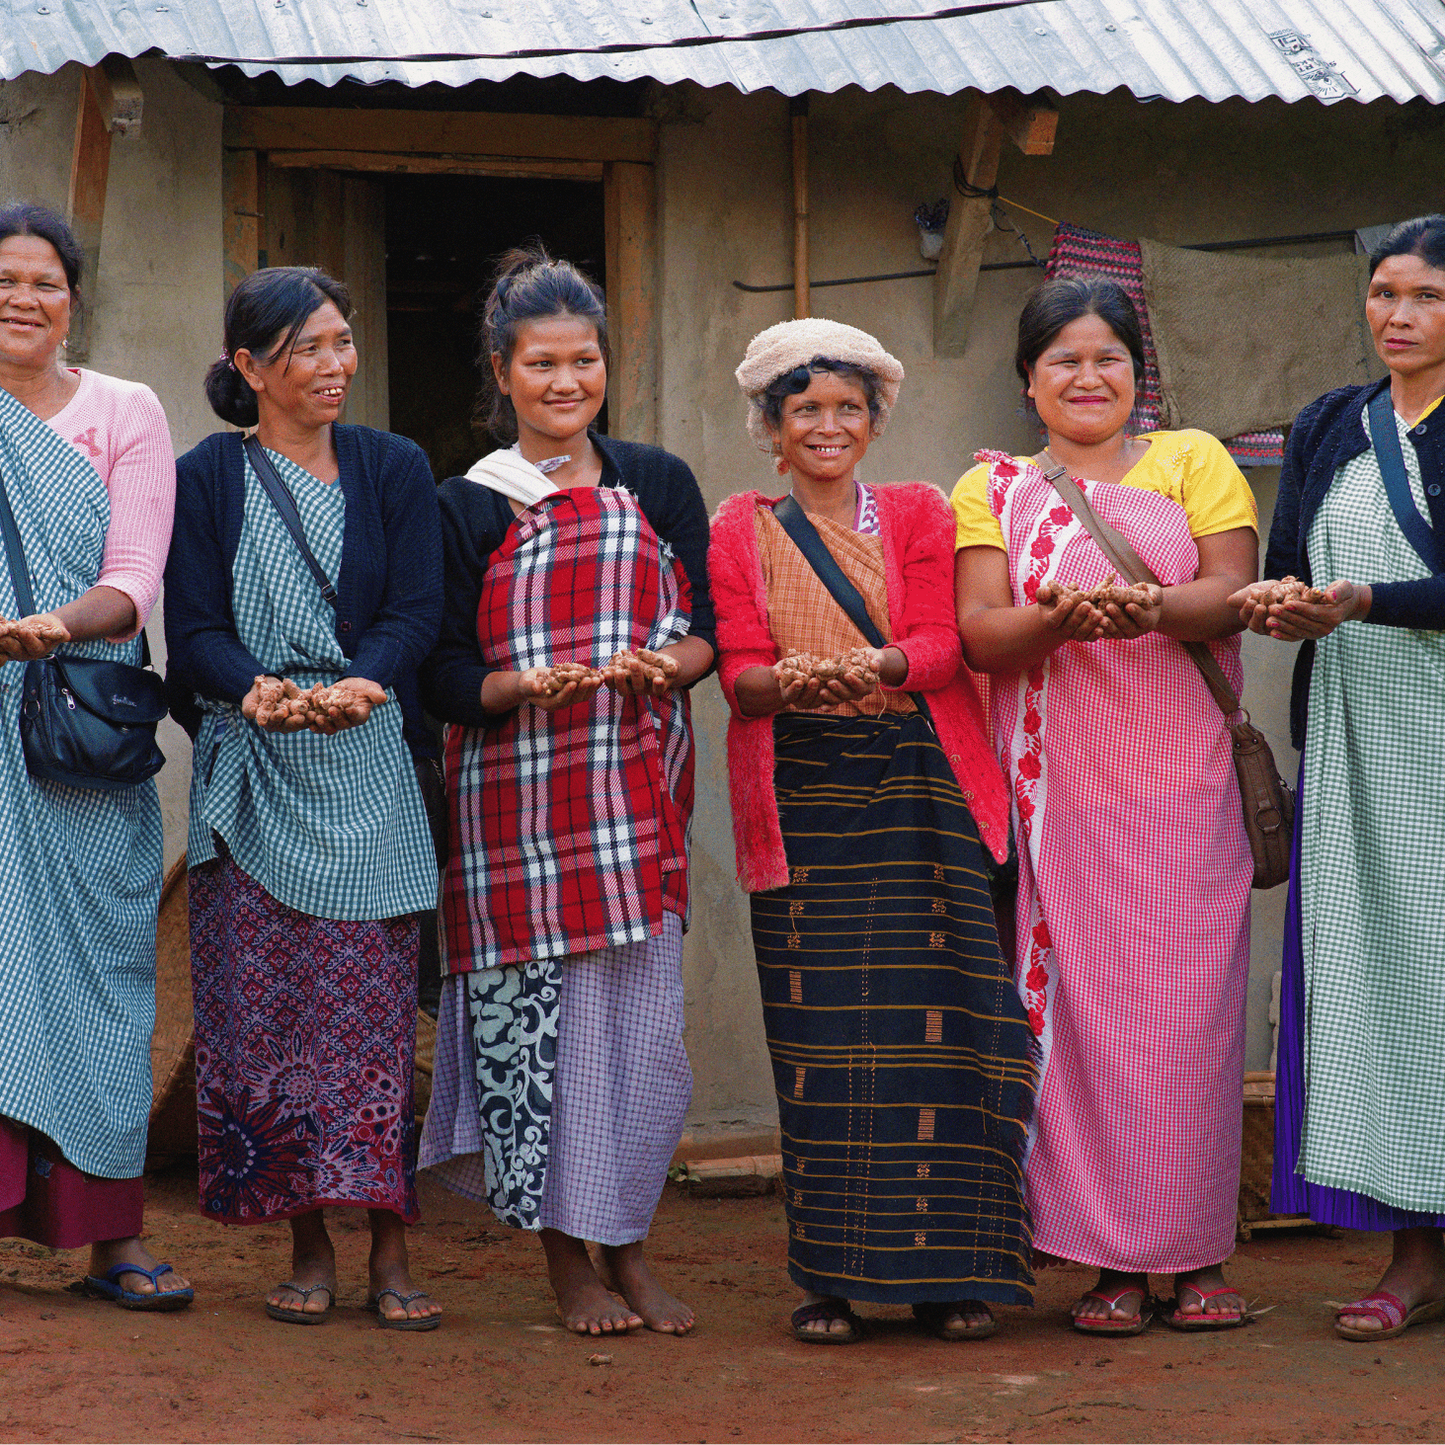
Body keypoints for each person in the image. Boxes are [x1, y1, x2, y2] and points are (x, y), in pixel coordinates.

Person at [710, 318, 1035, 1345]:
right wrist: (788, 682)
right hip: (804, 799)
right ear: (770, 424)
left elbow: (939, 645)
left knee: (947, 1032)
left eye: (847, 407)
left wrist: (881, 667)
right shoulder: (736, 529)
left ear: (874, 419)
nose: (826, 425)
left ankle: (956, 1275)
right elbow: (738, 668)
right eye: (803, 408)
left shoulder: (915, 511)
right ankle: (833, 1279)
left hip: (916, 787)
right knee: (822, 1043)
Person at [417, 247, 714, 1338]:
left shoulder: (655, 481)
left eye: (582, 360)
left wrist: (665, 665)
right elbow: (440, 667)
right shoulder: (465, 504)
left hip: (635, 800)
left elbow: (704, 628)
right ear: (502, 371)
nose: (563, 382)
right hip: (515, 811)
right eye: (540, 363)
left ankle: (628, 1246)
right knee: (538, 1040)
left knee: (639, 1040)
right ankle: (566, 1264)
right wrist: (514, 685)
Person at [954, 278, 1259, 1333]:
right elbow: (979, 634)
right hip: (1060, 797)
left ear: (1139, 372)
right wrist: (1059, 619)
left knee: (1188, 1022)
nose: (1087, 377)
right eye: (1061, 361)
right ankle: (1108, 1261)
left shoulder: (1193, 461)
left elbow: (1231, 594)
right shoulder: (990, 487)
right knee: (1085, 1027)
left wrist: (1145, 606)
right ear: (1026, 382)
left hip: (1181, 788)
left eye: (1107, 358)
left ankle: (1199, 1253)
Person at [164, 267, 444, 1328]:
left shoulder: (392, 466)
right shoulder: (208, 477)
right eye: (304, 350)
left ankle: (391, 1240)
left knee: (371, 1026)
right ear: (248, 367)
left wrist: (364, 678)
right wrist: (257, 690)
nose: (332, 367)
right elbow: (188, 627)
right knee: (269, 1025)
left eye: (340, 342)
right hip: (253, 759)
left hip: (366, 763)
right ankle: (308, 1240)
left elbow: (418, 603)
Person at [1232, 215, 1445, 1342]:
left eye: (1422, 296)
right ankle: (1413, 1254)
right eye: (1381, 293)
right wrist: (1285, 601)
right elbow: (1289, 565)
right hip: (1360, 739)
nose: (1396, 315)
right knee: (1382, 980)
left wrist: (1364, 598)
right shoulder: (1329, 422)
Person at [0, 203, 189, 1308]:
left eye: (44, 281)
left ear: (74, 299)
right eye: (4, 278)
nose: (22, 297)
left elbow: (135, 576)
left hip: (71, 737)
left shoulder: (125, 408)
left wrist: (49, 629)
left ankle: (109, 1237)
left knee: (99, 983)